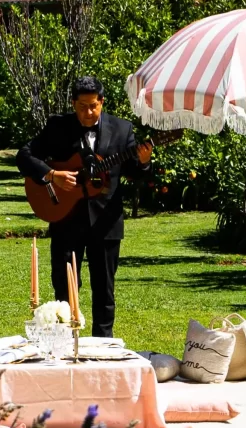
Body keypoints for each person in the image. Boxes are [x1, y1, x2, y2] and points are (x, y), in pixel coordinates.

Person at [17, 76, 152, 340]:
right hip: (66, 217)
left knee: (104, 290)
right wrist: (51, 174)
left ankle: (103, 347)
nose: (87, 113)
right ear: (73, 103)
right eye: (81, 107)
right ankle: (65, 343)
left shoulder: (122, 130)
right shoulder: (58, 127)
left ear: (102, 102)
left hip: (107, 222)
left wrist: (144, 163)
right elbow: (24, 156)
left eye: (93, 106)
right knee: (65, 288)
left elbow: (136, 173)